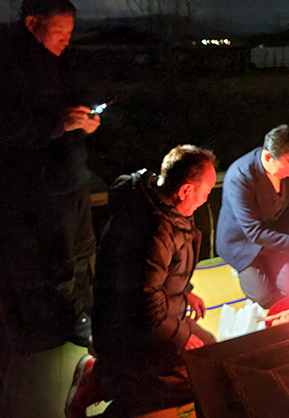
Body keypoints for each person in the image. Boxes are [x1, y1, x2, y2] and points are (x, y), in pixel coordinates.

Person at [0, 1, 101, 416]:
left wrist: (87, 120)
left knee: (81, 253)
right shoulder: (12, 67)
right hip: (40, 188)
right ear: (31, 24)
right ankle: (55, 327)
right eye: (60, 30)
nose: (67, 38)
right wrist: (58, 125)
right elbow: (9, 127)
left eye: (71, 31)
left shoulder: (60, 65)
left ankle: (80, 317)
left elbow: (74, 106)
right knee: (56, 259)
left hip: (73, 180)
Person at [91, 145, 217, 416]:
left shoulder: (169, 211)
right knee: (193, 377)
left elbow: (160, 275)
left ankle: (107, 376)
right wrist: (181, 335)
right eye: (206, 191)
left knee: (211, 351)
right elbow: (144, 307)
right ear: (185, 190)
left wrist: (186, 291)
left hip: (154, 322)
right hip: (130, 335)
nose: (207, 198)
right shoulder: (151, 231)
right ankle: (99, 382)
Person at [216, 124, 289, 308]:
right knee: (263, 297)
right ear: (267, 156)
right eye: (285, 168)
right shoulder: (240, 176)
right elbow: (253, 232)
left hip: (273, 235)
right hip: (242, 241)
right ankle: (240, 268)